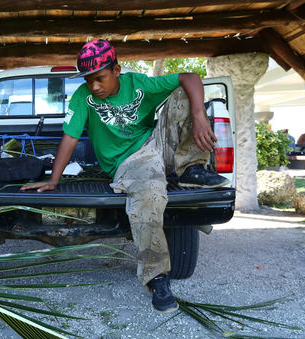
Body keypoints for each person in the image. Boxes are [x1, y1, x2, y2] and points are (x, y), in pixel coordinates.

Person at [21, 39, 228, 314]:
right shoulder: (84, 97)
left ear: (117, 70)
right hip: (131, 163)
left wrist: (200, 115)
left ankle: (190, 169)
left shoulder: (138, 84)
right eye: (88, 80)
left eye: (100, 79)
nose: (94, 86)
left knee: (183, 93)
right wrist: (53, 180)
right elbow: (70, 138)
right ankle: (157, 277)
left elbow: (189, 77)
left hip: (157, 145)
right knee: (151, 198)